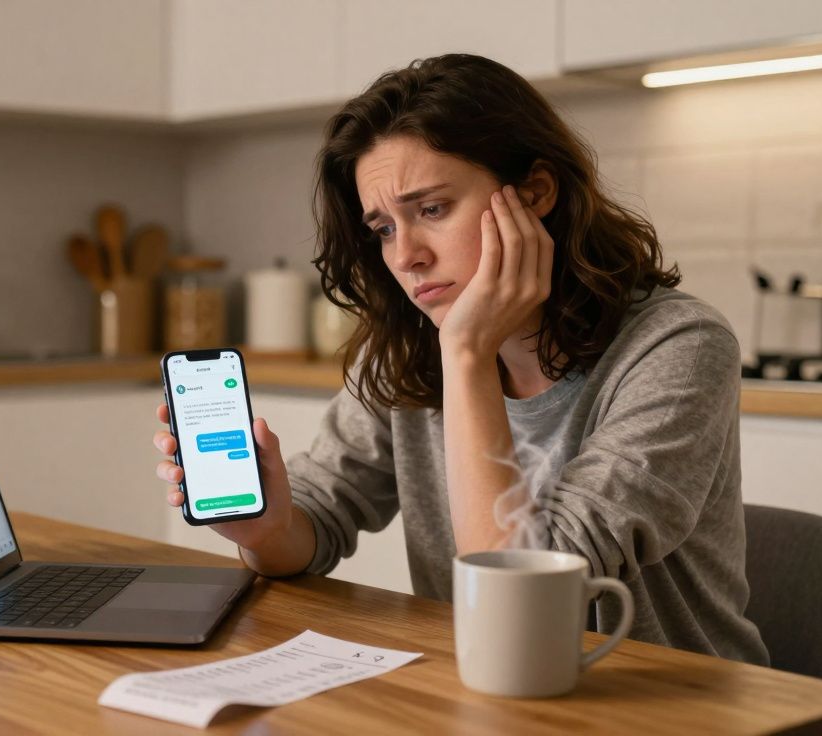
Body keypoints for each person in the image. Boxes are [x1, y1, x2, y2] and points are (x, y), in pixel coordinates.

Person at [151, 54, 768, 664]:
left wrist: (468, 355)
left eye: (432, 209)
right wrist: (265, 528)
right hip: (489, 696)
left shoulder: (678, 347)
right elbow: (318, 518)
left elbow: (520, 586)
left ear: (535, 192)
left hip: (673, 709)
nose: (406, 256)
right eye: (384, 228)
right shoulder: (408, 348)